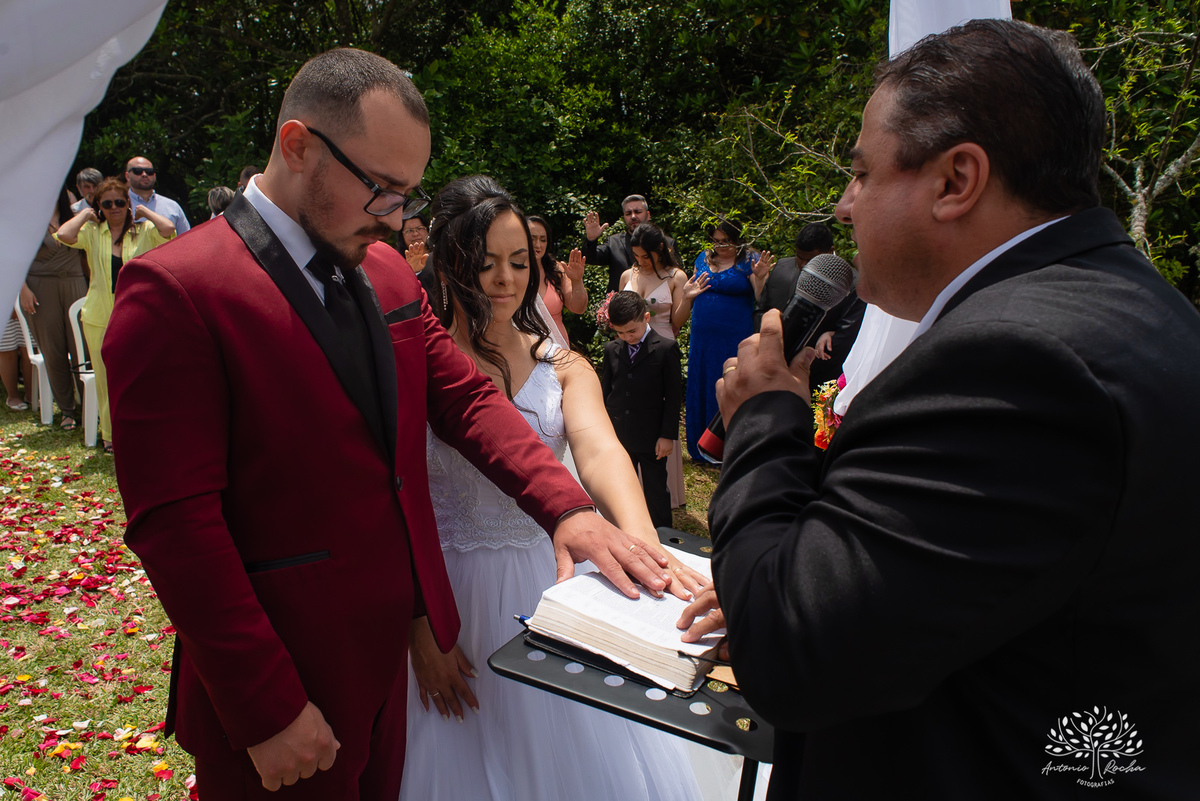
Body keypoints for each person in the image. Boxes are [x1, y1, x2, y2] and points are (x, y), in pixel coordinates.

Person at [103, 49, 679, 800]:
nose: (395, 218)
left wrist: (566, 507)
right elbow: (177, 525)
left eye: (405, 196)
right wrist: (265, 706)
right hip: (287, 682)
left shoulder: (386, 274)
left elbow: (467, 401)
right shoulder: (176, 291)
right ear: (298, 145)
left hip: (398, 674)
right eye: (380, 189)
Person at [679, 19, 1200, 799]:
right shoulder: (1147, 308)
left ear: (957, 180)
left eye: (862, 173)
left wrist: (763, 418)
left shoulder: (1013, 363)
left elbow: (797, 657)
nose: (844, 206)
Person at [401, 175, 705, 801]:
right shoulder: (413, 367)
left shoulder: (562, 366)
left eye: (520, 261)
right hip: (444, 593)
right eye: (485, 263)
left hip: (551, 583)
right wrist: (419, 628)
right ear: (449, 262)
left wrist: (642, 543)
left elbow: (598, 450)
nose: (507, 279)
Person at [55, 176, 175, 453]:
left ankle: (142, 427)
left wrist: (144, 211)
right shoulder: (93, 232)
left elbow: (168, 230)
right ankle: (110, 434)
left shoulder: (143, 231)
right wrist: (84, 213)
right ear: (100, 206)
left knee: (141, 373)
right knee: (106, 376)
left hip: (137, 316)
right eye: (106, 203)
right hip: (99, 316)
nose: (114, 208)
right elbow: (64, 235)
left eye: (120, 202)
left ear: (128, 203)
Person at [621, 222, 702, 507]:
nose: (641, 262)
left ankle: (661, 493)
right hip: (629, 347)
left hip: (661, 347)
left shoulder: (676, 276)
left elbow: (676, 322)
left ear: (659, 250)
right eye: (637, 256)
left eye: (646, 256)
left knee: (660, 408)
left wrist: (689, 299)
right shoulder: (627, 274)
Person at [683, 218, 771, 461]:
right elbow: (691, 289)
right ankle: (699, 445)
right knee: (703, 382)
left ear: (737, 240)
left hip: (733, 334)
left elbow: (761, 299)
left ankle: (728, 447)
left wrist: (762, 278)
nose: (721, 246)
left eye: (726, 241)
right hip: (703, 335)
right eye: (716, 241)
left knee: (729, 382)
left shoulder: (749, 260)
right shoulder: (702, 258)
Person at [600, 291, 682, 529]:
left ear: (646, 317)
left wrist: (667, 435)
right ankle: (621, 527)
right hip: (619, 432)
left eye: (632, 331)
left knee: (655, 486)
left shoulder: (665, 349)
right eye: (620, 332)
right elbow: (607, 392)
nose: (627, 337)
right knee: (620, 484)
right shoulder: (612, 349)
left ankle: (662, 533)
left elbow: (673, 397)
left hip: (651, 435)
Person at [19, 186, 89, 429]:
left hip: (74, 284)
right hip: (40, 288)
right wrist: (23, 290)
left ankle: (90, 405)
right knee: (54, 349)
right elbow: (12, 259)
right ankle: (67, 410)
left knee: (82, 348)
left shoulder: (75, 217)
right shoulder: (27, 220)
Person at [583, 194, 681, 293]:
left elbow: (676, 276)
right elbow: (590, 258)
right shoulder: (614, 243)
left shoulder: (667, 243)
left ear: (648, 215)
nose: (633, 216)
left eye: (637, 212)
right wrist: (591, 239)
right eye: (628, 213)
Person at [754, 222, 834, 332]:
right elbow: (762, 309)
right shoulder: (781, 268)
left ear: (829, 252)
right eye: (800, 257)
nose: (803, 265)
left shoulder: (849, 284)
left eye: (811, 260)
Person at [527, 214, 587, 344]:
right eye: (532, 239)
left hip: (557, 349)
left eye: (543, 240)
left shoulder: (556, 269)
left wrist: (577, 280)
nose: (538, 244)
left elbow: (578, 308)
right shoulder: (510, 272)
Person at [125, 156, 191, 234]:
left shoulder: (172, 206)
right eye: (138, 171)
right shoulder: (118, 205)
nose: (144, 174)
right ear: (127, 176)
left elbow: (186, 239)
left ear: (155, 176)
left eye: (149, 172)